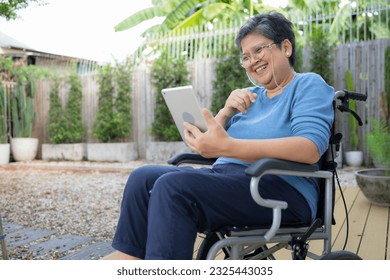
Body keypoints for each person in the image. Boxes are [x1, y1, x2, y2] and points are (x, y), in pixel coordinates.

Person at [111, 11, 334, 260]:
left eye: (259, 50)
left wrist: (229, 147)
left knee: (173, 187)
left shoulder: (307, 84)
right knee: (142, 178)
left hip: (279, 189)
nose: (252, 61)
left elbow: (310, 148)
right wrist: (226, 112)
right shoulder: (248, 96)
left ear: (286, 47)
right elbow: (210, 144)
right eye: (246, 57)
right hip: (227, 180)